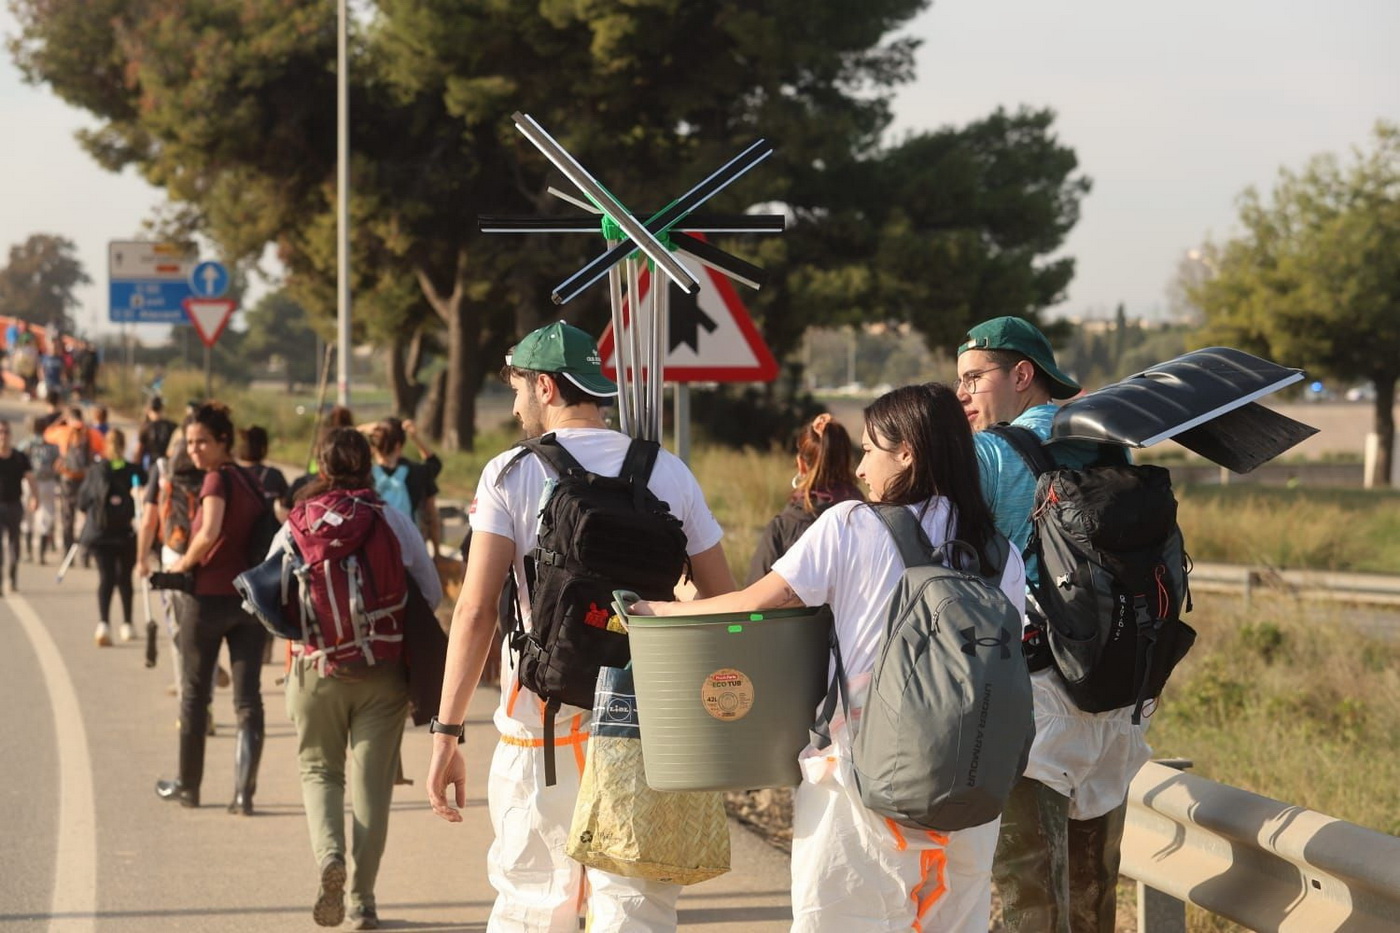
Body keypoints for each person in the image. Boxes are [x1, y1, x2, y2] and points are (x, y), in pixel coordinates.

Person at [628, 383, 1025, 932]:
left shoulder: (851, 525)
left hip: (863, 781)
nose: (860, 469)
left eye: (870, 450)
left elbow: (752, 604)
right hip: (969, 786)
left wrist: (658, 611)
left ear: (907, 454)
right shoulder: (1000, 551)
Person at [426, 321, 736, 933]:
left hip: (540, 722)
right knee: (636, 901)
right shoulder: (669, 471)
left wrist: (447, 733)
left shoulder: (511, 473)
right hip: (644, 717)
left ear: (545, 386)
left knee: (535, 901)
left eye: (517, 389)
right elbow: (722, 600)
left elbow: (476, 611)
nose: (515, 406)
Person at [956, 315, 1145, 933]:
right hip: (1116, 698)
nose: (962, 393)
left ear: (1021, 375)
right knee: (1094, 894)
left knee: (1031, 897)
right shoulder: (1109, 444)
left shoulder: (988, 454)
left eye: (974, 378)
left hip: (1035, 700)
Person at [273, 427, 442, 931]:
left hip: (315, 669)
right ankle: (363, 901)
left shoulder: (298, 520)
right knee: (373, 788)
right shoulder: (389, 518)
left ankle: (330, 857)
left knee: (320, 773)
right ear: (368, 465)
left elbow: (266, 592)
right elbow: (431, 592)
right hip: (381, 672)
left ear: (322, 467)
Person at [152, 402, 269, 810]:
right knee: (248, 700)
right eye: (189, 442)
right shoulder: (251, 481)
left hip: (207, 601)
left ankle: (188, 785)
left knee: (194, 695)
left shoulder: (216, 480)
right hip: (249, 603)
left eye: (201, 441)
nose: (194, 450)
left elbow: (210, 532)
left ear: (223, 441)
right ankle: (243, 794)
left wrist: (182, 565)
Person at [746, 412, 863, 584]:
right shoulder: (868, 519)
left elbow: (755, 597)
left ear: (801, 464)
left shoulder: (782, 528)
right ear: (847, 460)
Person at [78, 427, 143, 646]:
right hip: (126, 532)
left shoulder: (96, 470)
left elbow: (82, 502)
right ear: (124, 446)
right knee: (124, 578)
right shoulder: (133, 471)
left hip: (101, 533)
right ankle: (127, 624)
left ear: (106, 445)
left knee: (105, 578)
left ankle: (104, 623)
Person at [367, 418, 442, 556]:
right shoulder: (415, 472)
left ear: (374, 446)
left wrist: (362, 430)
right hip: (409, 545)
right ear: (398, 446)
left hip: (376, 546)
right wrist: (415, 437)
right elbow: (434, 463)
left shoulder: (366, 475)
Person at [44, 406, 104, 558]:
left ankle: (67, 550)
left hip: (68, 479)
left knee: (67, 516)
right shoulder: (91, 433)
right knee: (87, 515)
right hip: (86, 478)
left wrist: (60, 420)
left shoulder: (64, 431)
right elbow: (103, 449)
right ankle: (85, 551)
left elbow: (47, 434)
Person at [0, 420, 35, 594]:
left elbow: (30, 477)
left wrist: (35, 497)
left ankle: (12, 579)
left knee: (14, 543)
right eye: (0, 432)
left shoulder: (19, 457)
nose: (3, 436)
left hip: (14, 504)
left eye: (6, 432)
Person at [19, 416, 59, 564]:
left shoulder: (25, 445)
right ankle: (41, 554)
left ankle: (29, 552)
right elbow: (58, 463)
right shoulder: (52, 447)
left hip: (29, 481)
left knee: (27, 516)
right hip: (47, 482)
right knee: (45, 515)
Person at [236, 426, 290, 519]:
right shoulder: (274, 475)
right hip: (264, 527)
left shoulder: (229, 473)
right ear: (263, 448)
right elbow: (287, 505)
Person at [135, 397, 178, 474]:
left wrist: (136, 469)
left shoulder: (145, 427)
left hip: (154, 465)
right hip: (166, 465)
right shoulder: (172, 426)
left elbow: (138, 452)